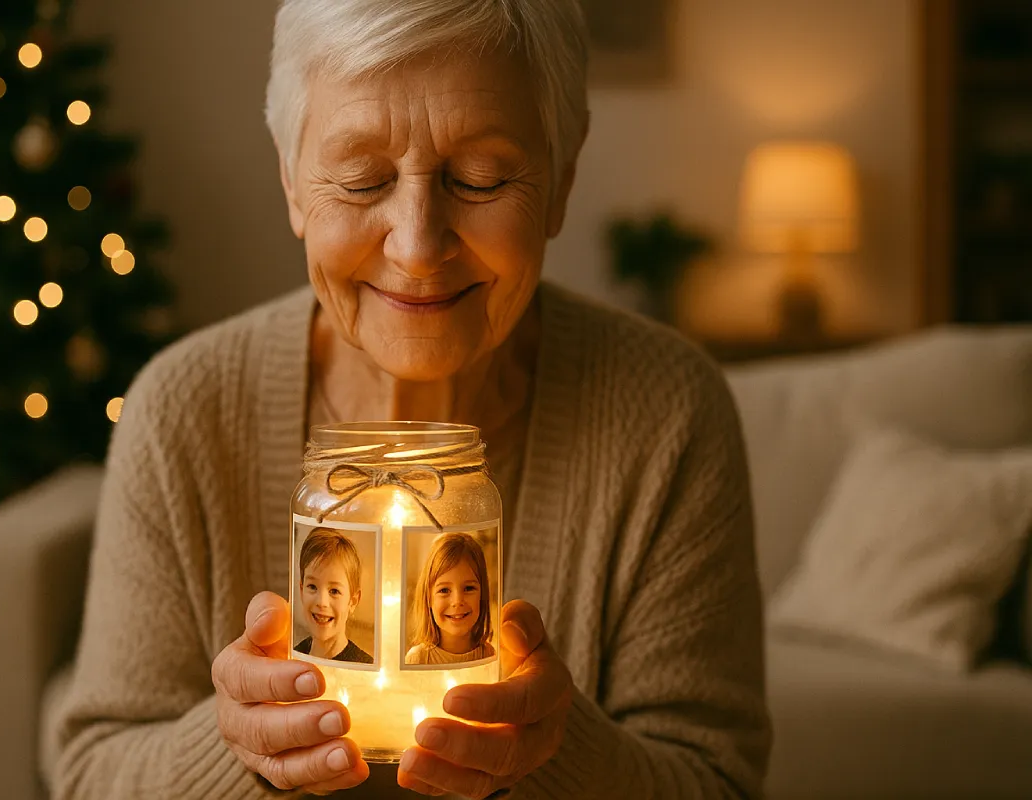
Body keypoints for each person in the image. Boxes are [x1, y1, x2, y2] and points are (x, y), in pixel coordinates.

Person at [53, 0, 771, 797]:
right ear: (293, 181)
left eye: (481, 177)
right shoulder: (183, 409)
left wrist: (552, 750)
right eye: (362, 179)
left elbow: (718, 781)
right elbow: (92, 773)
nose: (418, 245)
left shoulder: (667, 411)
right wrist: (242, 747)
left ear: (562, 177)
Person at [405, 533, 496, 666]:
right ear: (428, 598)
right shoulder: (418, 659)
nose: (457, 601)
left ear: (482, 595)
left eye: (469, 588)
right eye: (444, 590)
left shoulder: (488, 654)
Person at [294, 527, 373, 663]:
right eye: (312, 587)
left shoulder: (364, 665)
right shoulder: (295, 655)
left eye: (334, 591)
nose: (322, 602)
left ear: (353, 601)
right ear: (301, 591)